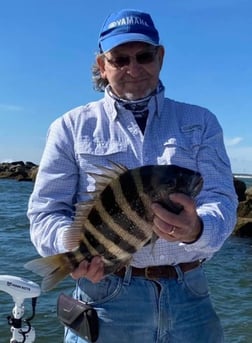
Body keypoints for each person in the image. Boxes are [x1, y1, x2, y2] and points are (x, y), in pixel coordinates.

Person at [27, 8, 238, 343]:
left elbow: (221, 199)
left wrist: (198, 228)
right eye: (120, 59)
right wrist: (76, 252)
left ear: (161, 57)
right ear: (102, 65)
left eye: (144, 56)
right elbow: (46, 212)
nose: (133, 68)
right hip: (105, 297)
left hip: (190, 296)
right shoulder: (70, 127)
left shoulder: (201, 122)